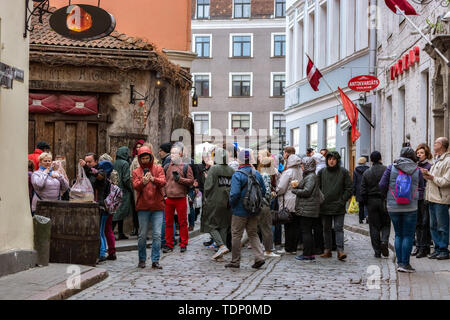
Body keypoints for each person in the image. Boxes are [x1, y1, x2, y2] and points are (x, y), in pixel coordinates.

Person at [379, 147, 425, 272]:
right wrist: (415, 197)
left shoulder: (390, 168)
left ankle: (400, 263)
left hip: (393, 206)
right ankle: (405, 264)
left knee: (398, 234)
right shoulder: (417, 170)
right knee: (408, 235)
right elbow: (422, 186)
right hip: (411, 207)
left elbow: (382, 185)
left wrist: (388, 196)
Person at [225, 149, 266, 269]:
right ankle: (259, 257)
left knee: (236, 234)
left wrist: (232, 204)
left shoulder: (237, 174)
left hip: (239, 210)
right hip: (254, 209)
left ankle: (235, 261)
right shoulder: (256, 173)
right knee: (253, 233)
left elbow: (234, 194)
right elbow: (263, 191)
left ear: (239, 160)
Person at [132, 146, 166, 269]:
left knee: (157, 235)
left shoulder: (158, 169)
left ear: (151, 157)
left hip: (157, 206)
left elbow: (163, 182)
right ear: (140, 159)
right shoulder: (136, 171)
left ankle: (155, 260)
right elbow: (135, 186)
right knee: (142, 236)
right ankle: (142, 259)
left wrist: (153, 179)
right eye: (143, 158)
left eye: (147, 158)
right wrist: (143, 182)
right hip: (143, 206)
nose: (145, 160)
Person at [201, 148, 235, 261]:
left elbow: (207, 187)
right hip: (227, 202)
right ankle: (221, 254)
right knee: (224, 227)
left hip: (214, 201)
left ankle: (221, 245)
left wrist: (206, 197)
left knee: (210, 225)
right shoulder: (231, 170)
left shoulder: (214, 169)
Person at [318, 151, 352, 260]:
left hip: (339, 206)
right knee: (326, 229)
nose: (331, 161)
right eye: (329, 159)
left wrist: (342, 201)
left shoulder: (344, 172)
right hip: (325, 206)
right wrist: (321, 200)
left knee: (338, 228)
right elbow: (317, 188)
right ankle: (327, 250)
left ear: (337, 160)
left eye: (333, 159)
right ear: (327, 161)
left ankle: (340, 250)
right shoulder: (322, 172)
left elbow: (349, 188)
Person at [162, 143, 194, 253]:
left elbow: (191, 181)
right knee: (168, 223)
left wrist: (180, 179)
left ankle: (183, 243)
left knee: (183, 222)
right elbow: (163, 182)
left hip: (180, 198)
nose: (172, 155)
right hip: (169, 199)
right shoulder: (166, 167)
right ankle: (168, 244)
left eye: (174, 153)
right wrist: (164, 195)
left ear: (180, 154)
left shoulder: (186, 166)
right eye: (171, 153)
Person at [423, 137, 449, 260]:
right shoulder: (436, 160)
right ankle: (437, 248)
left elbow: (446, 181)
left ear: (442, 146)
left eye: (436, 143)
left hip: (441, 198)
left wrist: (431, 177)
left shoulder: (447, 161)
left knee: (442, 226)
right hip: (431, 198)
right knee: (433, 225)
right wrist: (426, 175)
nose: (433, 144)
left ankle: (444, 249)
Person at [360, 151, 390, 258]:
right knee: (386, 223)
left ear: (371, 160)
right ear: (380, 159)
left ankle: (377, 251)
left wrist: (366, 203)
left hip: (371, 201)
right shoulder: (387, 170)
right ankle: (384, 241)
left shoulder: (367, 173)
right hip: (384, 200)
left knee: (374, 227)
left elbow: (362, 190)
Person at [292, 157, 322, 262]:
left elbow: (307, 191)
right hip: (308, 208)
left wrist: (295, 191)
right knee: (307, 231)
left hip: (307, 208)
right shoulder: (310, 176)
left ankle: (307, 254)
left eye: (303, 165)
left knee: (306, 232)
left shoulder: (311, 177)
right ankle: (309, 254)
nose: (301, 166)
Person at [275, 154, 302, 255]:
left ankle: (288, 248)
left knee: (288, 226)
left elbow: (281, 187)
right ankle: (293, 247)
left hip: (289, 201)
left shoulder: (288, 172)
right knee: (295, 226)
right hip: (298, 201)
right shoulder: (300, 171)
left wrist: (276, 191)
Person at [257, 151, 280, 258]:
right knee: (267, 227)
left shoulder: (259, 172)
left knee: (252, 229)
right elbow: (266, 192)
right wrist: (271, 195)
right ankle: (268, 250)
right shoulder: (266, 175)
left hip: (257, 203)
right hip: (264, 204)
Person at [412, 143, 433, 258]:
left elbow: (430, 180)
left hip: (425, 196)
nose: (419, 155)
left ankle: (425, 247)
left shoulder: (429, 166)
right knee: (417, 223)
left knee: (425, 223)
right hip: (415, 197)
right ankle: (418, 246)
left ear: (426, 154)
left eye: (421, 153)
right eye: (418, 153)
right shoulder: (414, 166)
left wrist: (425, 173)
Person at [130, 141, 151, 236]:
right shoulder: (135, 161)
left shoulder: (155, 165)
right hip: (139, 190)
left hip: (151, 193)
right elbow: (132, 176)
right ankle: (140, 231)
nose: (139, 149)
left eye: (140, 147)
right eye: (137, 147)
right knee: (140, 210)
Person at [96, 161, 114, 263]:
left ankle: (102, 252)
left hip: (103, 208)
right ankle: (108, 250)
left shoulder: (104, 181)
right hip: (107, 208)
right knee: (104, 230)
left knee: (101, 231)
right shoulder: (109, 180)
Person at [113, 147, 132, 240]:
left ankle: (120, 233)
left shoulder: (115, 162)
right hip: (123, 191)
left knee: (118, 212)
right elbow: (126, 179)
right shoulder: (125, 163)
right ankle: (112, 232)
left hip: (115, 190)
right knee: (120, 213)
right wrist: (131, 188)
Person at [353, 157, 370, 224]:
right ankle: (367, 216)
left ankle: (360, 219)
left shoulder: (355, 170)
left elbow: (354, 182)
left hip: (359, 190)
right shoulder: (369, 169)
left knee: (361, 205)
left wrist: (353, 192)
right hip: (367, 189)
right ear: (365, 162)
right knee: (366, 204)